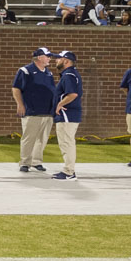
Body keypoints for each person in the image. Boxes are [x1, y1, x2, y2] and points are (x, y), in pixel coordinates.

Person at [11, 48, 56, 173]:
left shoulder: (48, 73)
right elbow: (16, 88)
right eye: (47, 56)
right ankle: (25, 162)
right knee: (29, 137)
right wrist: (20, 104)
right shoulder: (25, 71)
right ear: (39, 57)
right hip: (32, 110)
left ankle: (37, 161)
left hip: (47, 111)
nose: (49, 59)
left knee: (42, 139)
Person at [51, 51, 83, 181]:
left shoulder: (69, 75)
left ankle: (69, 172)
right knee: (66, 142)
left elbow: (73, 94)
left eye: (59, 59)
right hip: (68, 114)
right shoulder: (69, 74)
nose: (56, 61)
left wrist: (60, 104)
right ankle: (69, 170)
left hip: (67, 114)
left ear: (66, 61)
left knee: (67, 142)